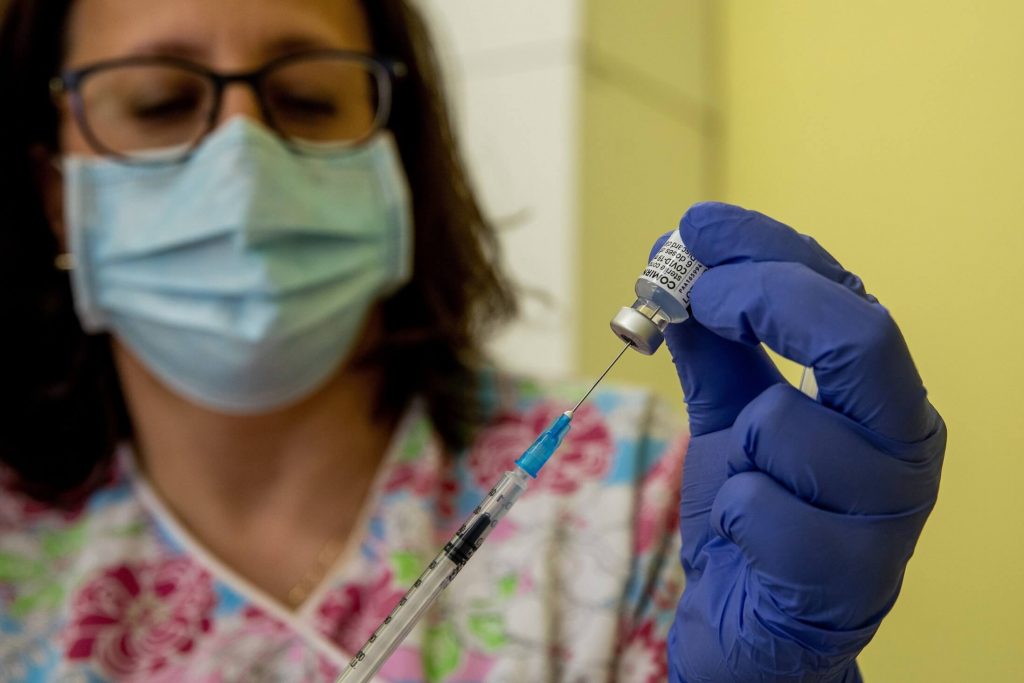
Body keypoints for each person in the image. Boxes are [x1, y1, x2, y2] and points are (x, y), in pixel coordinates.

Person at [0, 0, 946, 681]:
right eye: (161, 102)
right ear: (52, 191)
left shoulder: (640, 503)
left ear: (396, 160)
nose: (240, 163)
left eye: (309, 97)